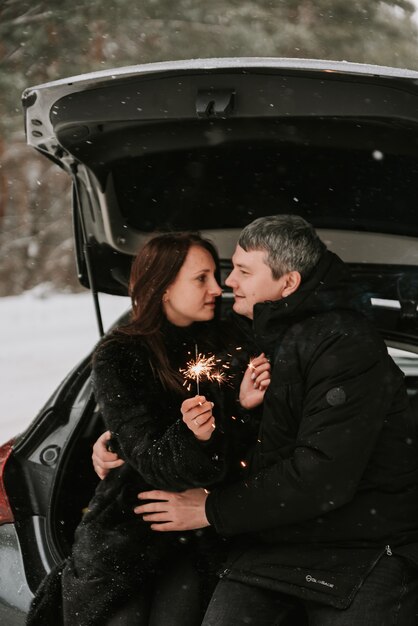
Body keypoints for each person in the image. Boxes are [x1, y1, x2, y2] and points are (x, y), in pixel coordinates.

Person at [125, 215, 418, 625]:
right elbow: (185, 412)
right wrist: (114, 442)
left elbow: (323, 475)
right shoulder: (262, 338)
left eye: (244, 271)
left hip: (362, 551)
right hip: (272, 541)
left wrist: (212, 510)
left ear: (289, 284)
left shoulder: (345, 343)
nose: (229, 283)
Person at [26, 232, 270, 626]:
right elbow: (149, 456)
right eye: (201, 278)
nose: (217, 287)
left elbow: (257, 447)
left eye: (216, 275)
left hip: (207, 534)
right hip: (128, 536)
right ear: (163, 286)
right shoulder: (123, 353)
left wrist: (239, 413)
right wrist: (192, 436)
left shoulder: (234, 343)